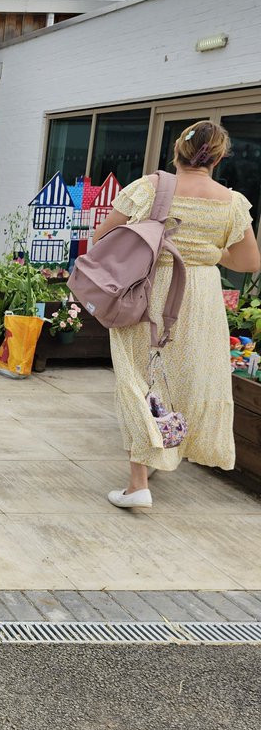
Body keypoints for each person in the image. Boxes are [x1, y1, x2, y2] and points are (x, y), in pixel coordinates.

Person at [96, 120, 259, 509]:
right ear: (218, 157)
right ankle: (159, 454)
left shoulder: (147, 188)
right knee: (183, 377)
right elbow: (249, 260)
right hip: (201, 295)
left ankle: (138, 484)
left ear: (176, 152)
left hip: (150, 290)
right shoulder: (231, 202)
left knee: (138, 376)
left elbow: (103, 236)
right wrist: (209, 251)